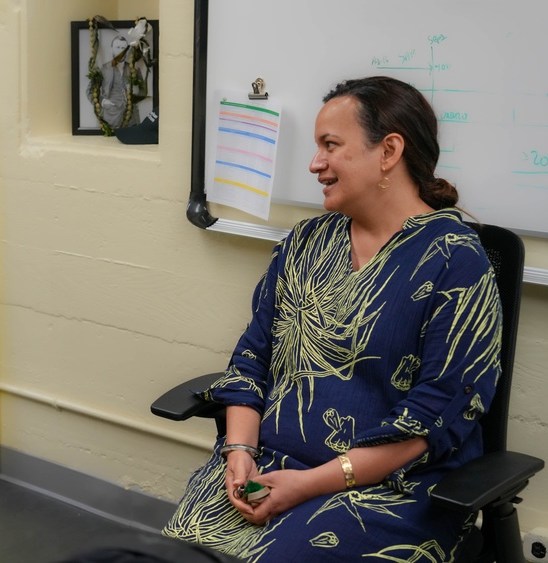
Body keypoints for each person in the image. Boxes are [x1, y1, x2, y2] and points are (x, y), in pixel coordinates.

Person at [162, 76, 502, 560]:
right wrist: (238, 453)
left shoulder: (455, 259)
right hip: (270, 467)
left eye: (330, 145)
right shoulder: (305, 243)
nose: (314, 163)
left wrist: (309, 485)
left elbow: (434, 417)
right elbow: (250, 362)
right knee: (180, 552)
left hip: (390, 492)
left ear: (388, 151)